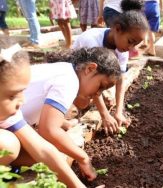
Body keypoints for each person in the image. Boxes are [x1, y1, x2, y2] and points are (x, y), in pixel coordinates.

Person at [20, 47, 121, 182]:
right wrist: (82, 157)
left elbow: (38, 107)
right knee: (53, 154)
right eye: (101, 86)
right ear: (90, 69)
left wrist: (63, 123)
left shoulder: (66, 70)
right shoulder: (69, 81)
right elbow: (48, 130)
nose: (98, 94)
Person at [0, 42, 85, 187]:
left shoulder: (10, 115)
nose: (22, 100)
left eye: (23, 92)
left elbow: (43, 150)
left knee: (34, 153)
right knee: (7, 145)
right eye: (13, 95)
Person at [73, 0, 148, 134]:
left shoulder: (122, 48)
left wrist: (119, 112)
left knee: (109, 99)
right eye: (130, 42)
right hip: (76, 76)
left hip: (93, 78)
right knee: (80, 104)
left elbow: (120, 80)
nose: (131, 48)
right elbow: (89, 80)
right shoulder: (92, 41)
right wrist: (105, 115)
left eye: (135, 44)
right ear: (117, 29)